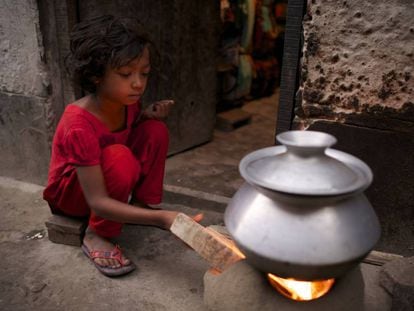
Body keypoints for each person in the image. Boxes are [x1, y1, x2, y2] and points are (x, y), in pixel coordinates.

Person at [43, 15, 203, 277]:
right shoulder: (78, 124)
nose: (138, 83)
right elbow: (98, 200)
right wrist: (164, 220)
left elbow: (123, 134)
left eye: (144, 73)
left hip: (108, 181)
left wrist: (146, 116)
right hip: (73, 197)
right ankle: (97, 234)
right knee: (119, 157)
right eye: (126, 74)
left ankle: (140, 205)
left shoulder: (127, 104)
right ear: (96, 76)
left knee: (155, 130)